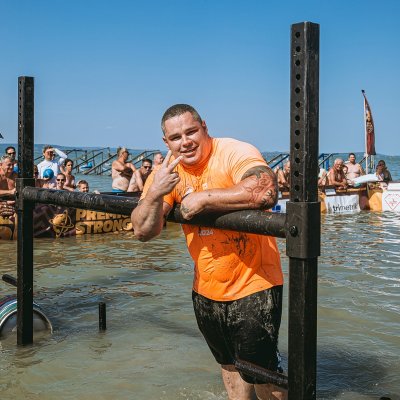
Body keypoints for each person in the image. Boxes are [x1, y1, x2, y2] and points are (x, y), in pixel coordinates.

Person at [131, 104, 286, 400]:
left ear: (204, 127)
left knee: (262, 370)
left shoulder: (232, 151)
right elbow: (143, 231)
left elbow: (266, 189)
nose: (185, 142)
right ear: (166, 142)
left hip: (255, 282)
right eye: (176, 137)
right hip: (205, 288)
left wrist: (204, 199)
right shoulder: (168, 172)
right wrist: (155, 193)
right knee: (228, 364)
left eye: (191, 132)